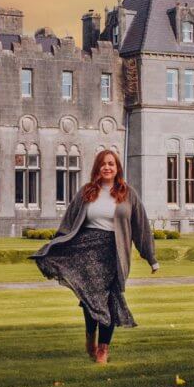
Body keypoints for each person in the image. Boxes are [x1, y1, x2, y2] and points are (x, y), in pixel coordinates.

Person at [31, 149, 159, 363]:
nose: (107, 167)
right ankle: (91, 338)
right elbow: (69, 222)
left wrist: (151, 257)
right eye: (103, 164)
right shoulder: (86, 192)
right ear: (97, 167)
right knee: (90, 299)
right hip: (86, 250)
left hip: (114, 252)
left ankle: (103, 349)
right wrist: (57, 244)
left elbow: (141, 227)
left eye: (111, 164)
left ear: (117, 168)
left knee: (108, 300)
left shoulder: (128, 194)